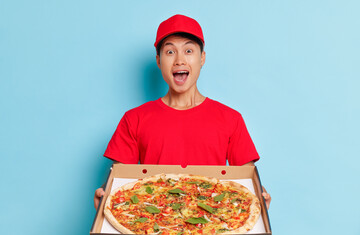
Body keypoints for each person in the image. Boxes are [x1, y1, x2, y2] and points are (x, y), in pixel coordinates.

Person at [94, 14, 271, 210]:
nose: (179, 60)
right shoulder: (133, 118)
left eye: (188, 50)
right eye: (170, 52)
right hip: (154, 224)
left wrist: (259, 196)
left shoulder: (231, 119)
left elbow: (247, 180)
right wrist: (104, 195)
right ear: (159, 61)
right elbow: (118, 181)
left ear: (202, 58)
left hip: (213, 224)